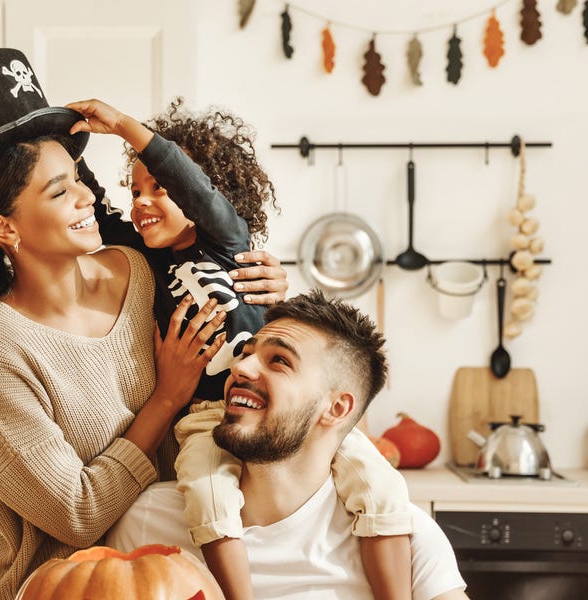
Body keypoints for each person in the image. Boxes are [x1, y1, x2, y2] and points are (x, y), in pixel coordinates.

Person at [0, 48, 287, 600]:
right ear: (4, 227)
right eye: (59, 190)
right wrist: (166, 398)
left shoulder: (139, 269)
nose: (89, 196)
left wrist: (265, 286)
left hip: (185, 579)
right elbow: (75, 512)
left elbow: (214, 268)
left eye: (78, 178)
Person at [67, 99, 414, 600]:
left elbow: (192, 185)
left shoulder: (228, 242)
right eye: (135, 190)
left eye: (158, 188)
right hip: (207, 417)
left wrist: (124, 128)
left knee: (381, 487)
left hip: (287, 408)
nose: (141, 202)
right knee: (207, 498)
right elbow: (91, 205)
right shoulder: (142, 257)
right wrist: (66, 144)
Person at [108, 289, 468, 600]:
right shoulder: (149, 523)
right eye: (246, 353)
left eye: (279, 361)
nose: (242, 368)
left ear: (337, 408)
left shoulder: (407, 537)